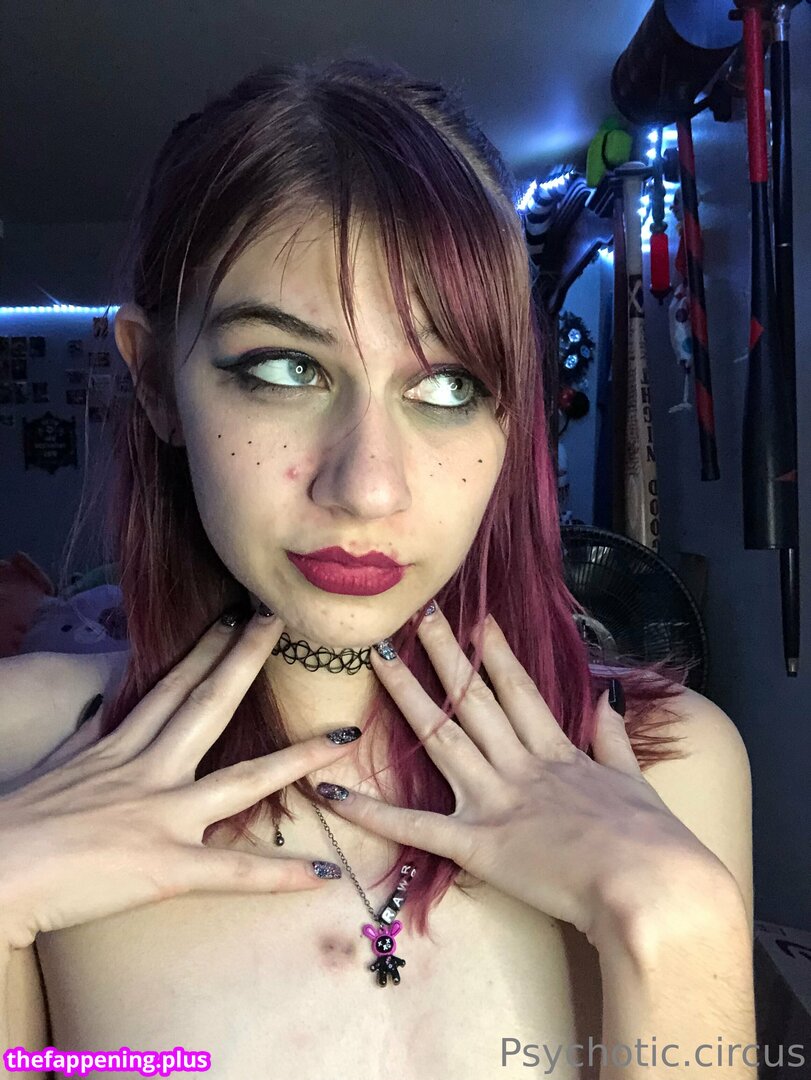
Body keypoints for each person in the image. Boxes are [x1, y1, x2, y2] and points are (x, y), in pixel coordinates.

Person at [0, 57, 755, 1079]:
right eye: (284, 369)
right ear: (158, 385)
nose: (366, 488)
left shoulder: (672, 767)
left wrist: (682, 922)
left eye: (446, 386)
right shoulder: (20, 748)